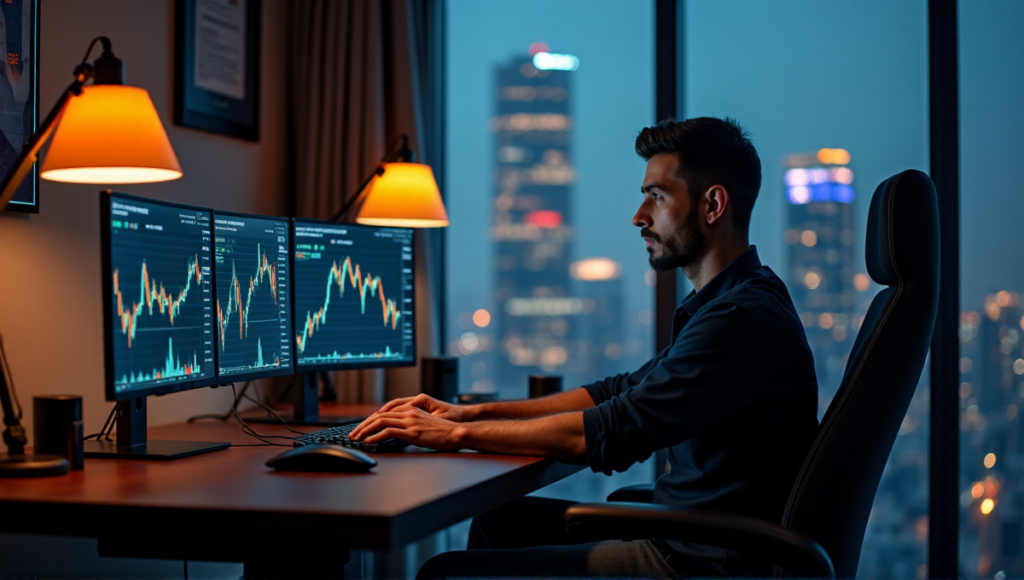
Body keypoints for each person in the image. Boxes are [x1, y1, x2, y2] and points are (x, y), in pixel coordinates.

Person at [350, 117, 819, 578]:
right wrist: (466, 415)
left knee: (447, 572)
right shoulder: (732, 303)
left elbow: (609, 432)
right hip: (696, 539)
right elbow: (616, 392)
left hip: (698, 563)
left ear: (713, 204)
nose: (640, 217)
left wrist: (453, 437)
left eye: (656, 197)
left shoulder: (738, 320)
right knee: (500, 523)